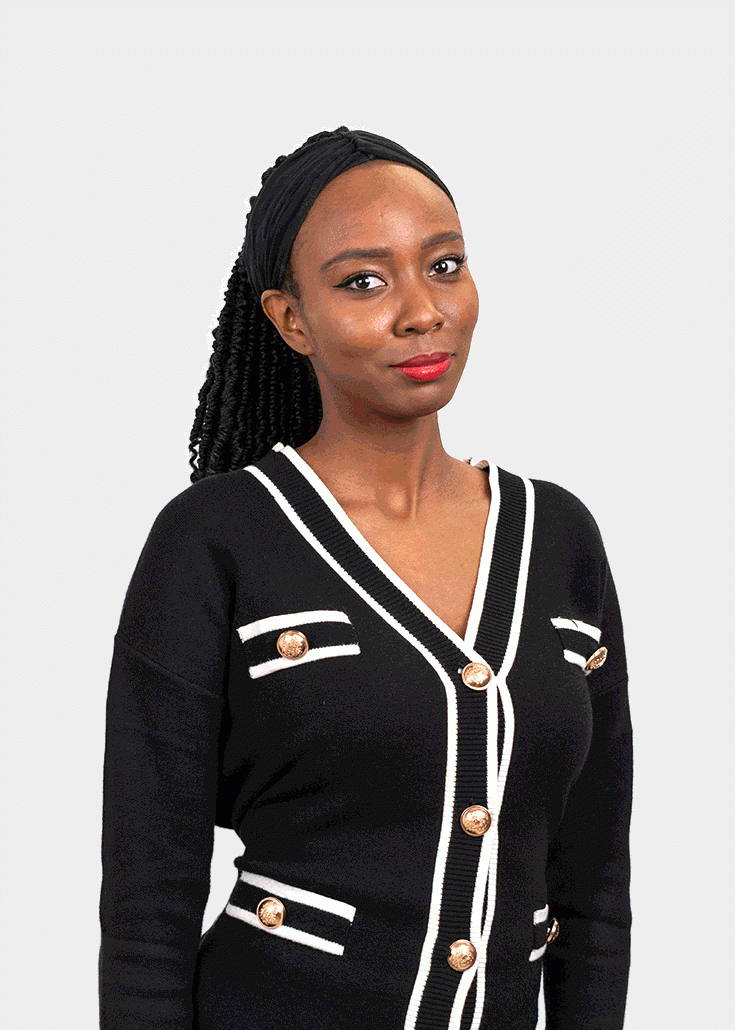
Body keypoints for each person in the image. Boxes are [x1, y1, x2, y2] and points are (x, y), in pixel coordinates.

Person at [98, 126, 633, 1030]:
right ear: (289, 319)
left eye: (444, 266)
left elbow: (593, 888)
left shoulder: (560, 536)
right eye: (362, 282)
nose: (421, 311)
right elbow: (149, 907)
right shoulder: (213, 539)